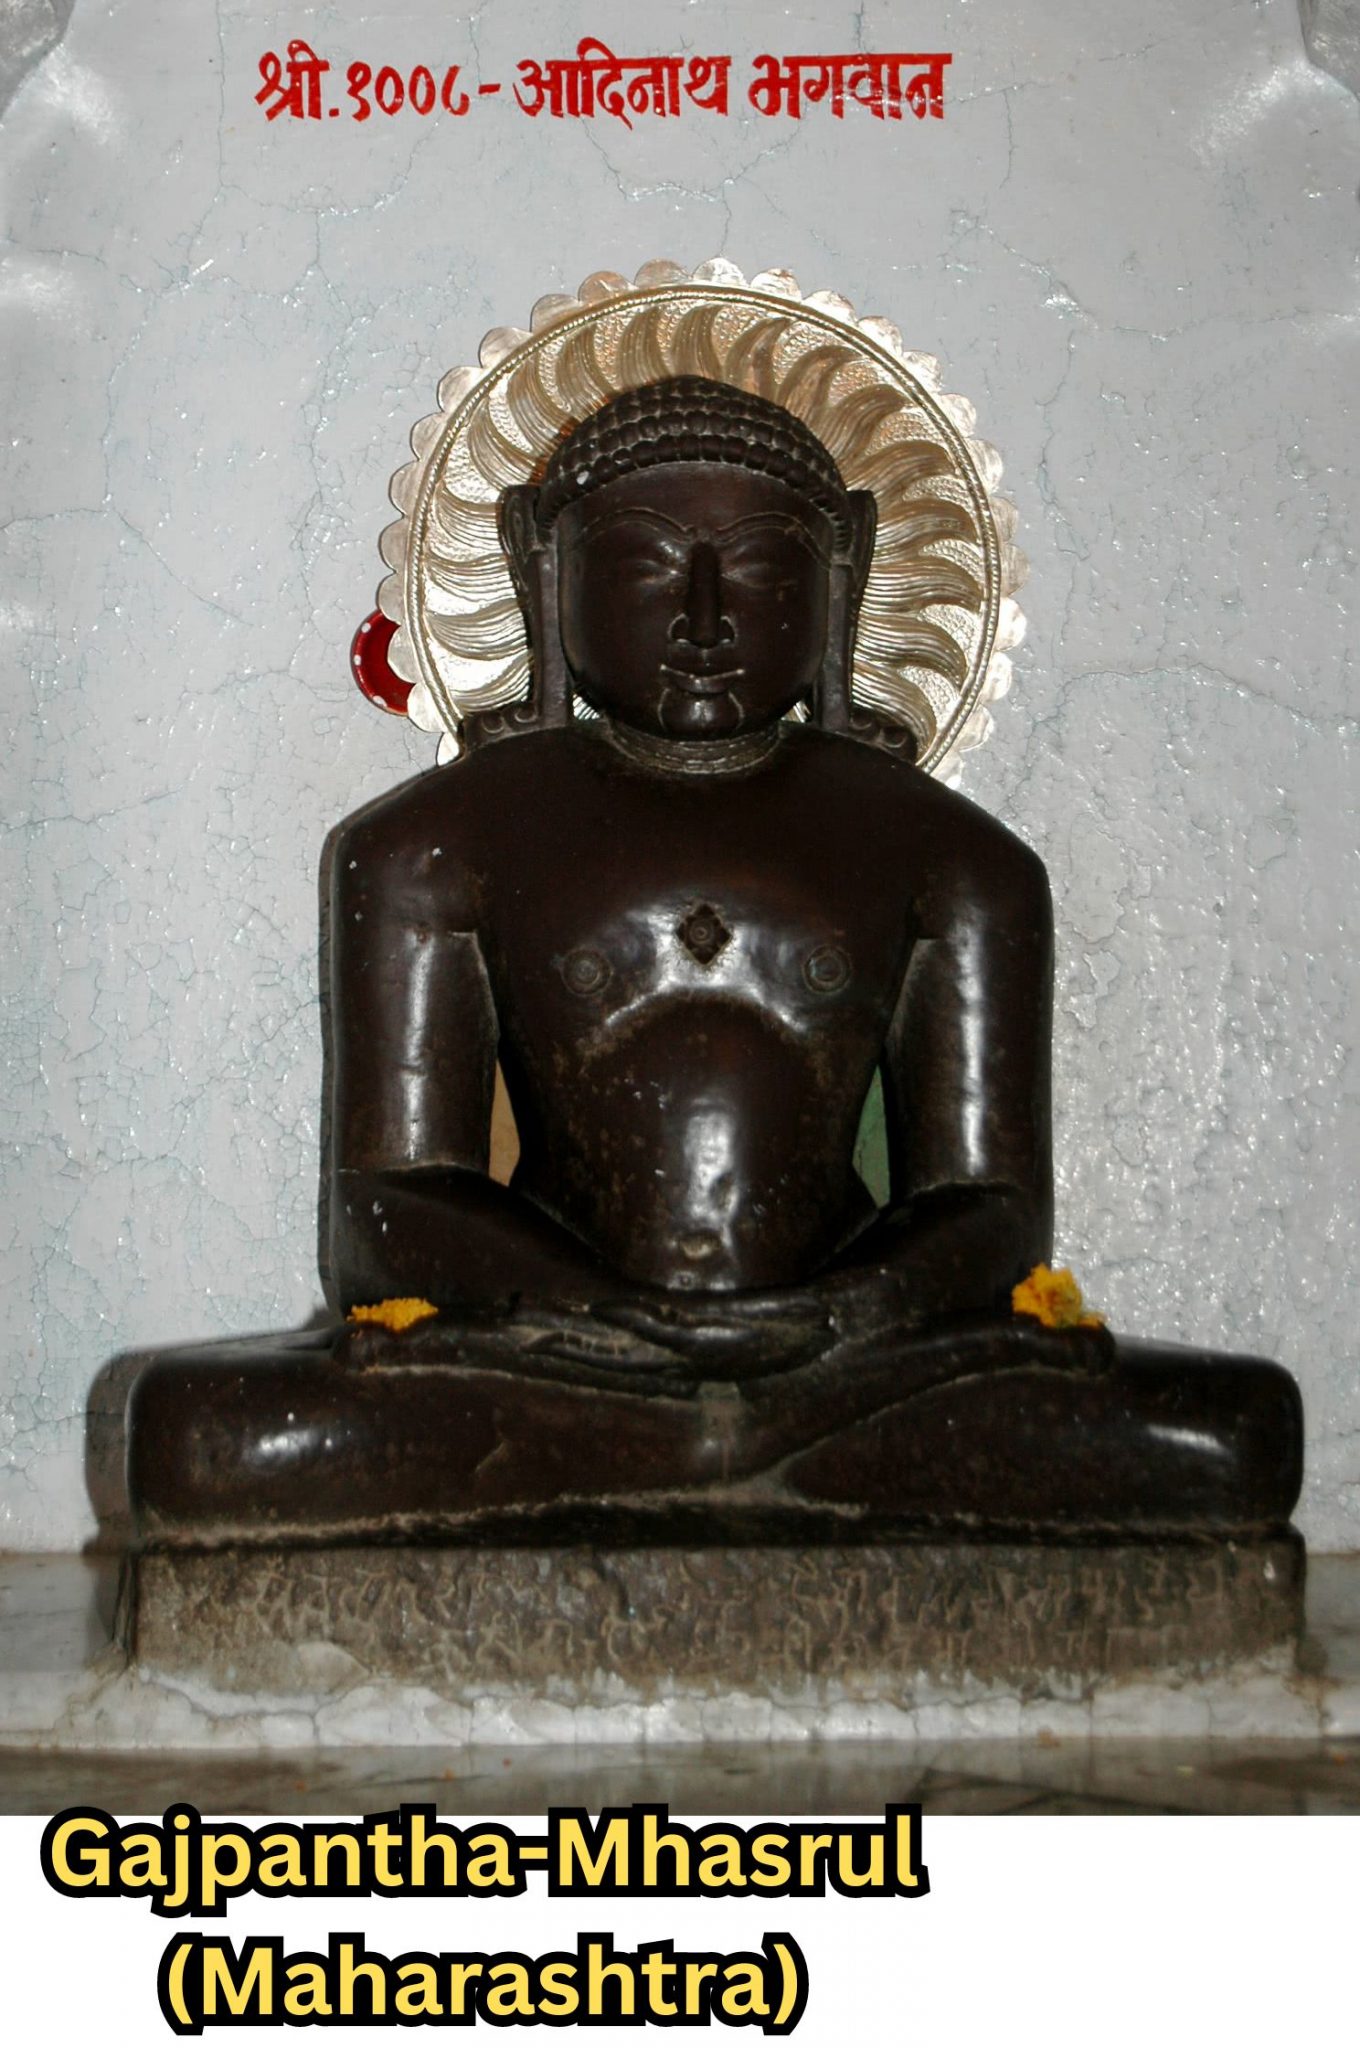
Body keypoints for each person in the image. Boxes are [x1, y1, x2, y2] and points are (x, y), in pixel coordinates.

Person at [129, 378, 1301, 1535]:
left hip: (851, 1358)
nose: (702, 618)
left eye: (759, 569)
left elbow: (989, 1204)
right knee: (200, 1433)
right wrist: (598, 1313)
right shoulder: (428, 845)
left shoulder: (952, 857)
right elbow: (382, 1204)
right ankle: (733, 1453)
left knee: (1233, 1433)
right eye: (645, 566)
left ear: (841, 568)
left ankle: (695, 1450)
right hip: (557, 1349)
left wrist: (843, 1311)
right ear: (545, 564)